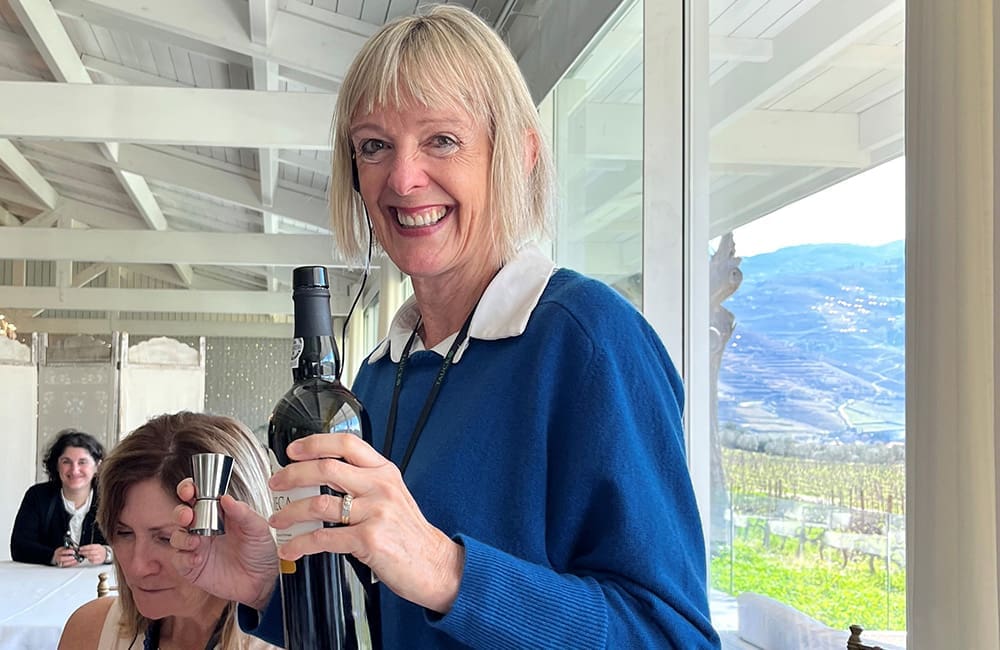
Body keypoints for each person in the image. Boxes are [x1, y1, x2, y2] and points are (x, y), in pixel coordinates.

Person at [170, 5, 720, 648]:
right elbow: (384, 619)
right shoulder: (381, 375)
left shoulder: (588, 340)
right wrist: (271, 586)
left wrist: (445, 569)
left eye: (442, 139)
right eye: (374, 146)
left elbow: (672, 636)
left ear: (519, 153)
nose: (403, 180)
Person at [58, 412, 280, 650]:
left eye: (168, 539)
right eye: (124, 533)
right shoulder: (90, 633)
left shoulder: (292, 640)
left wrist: (264, 593)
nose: (137, 567)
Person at [11, 429, 111, 567]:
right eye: (66, 462)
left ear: (97, 467)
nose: (74, 470)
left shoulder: (110, 498)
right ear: (57, 466)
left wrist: (107, 553)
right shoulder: (37, 496)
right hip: (45, 578)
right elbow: (19, 546)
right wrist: (51, 556)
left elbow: (130, 542)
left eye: (82, 462)